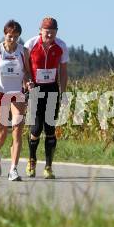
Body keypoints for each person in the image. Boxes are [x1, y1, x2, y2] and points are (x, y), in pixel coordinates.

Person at [0, 20, 32, 181]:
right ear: (5, 35)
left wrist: (28, 82)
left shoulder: (23, 51)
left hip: (17, 94)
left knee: (17, 131)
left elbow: (26, 73)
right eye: (10, 36)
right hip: (0, 94)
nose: (13, 40)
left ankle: (13, 169)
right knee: (2, 133)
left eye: (16, 37)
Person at [24, 17, 69, 179]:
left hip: (51, 88)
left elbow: (63, 72)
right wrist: (27, 81)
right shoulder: (30, 44)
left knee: (50, 129)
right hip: (35, 88)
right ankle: (32, 160)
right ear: (40, 31)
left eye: (52, 32)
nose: (49, 35)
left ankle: (48, 167)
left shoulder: (61, 46)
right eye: (46, 32)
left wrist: (63, 93)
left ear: (56, 32)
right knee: (35, 129)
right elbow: (24, 67)